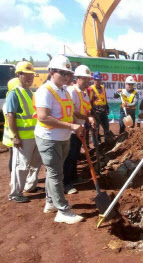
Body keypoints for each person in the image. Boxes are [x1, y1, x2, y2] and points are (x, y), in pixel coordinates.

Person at [34, 55, 84, 224]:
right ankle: (62, 210)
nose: (66, 76)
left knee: (55, 171)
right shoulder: (45, 91)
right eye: (62, 73)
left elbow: (69, 114)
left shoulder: (63, 90)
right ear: (51, 72)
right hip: (49, 138)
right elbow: (43, 117)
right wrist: (71, 127)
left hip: (63, 138)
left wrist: (77, 125)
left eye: (68, 73)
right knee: (56, 174)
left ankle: (50, 203)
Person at [6, 62, 42, 203]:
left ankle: (30, 186)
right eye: (25, 75)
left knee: (35, 164)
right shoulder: (14, 93)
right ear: (18, 75)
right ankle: (15, 193)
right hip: (23, 137)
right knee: (21, 166)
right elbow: (11, 116)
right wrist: (15, 136)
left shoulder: (30, 93)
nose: (29, 78)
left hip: (35, 135)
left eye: (31, 75)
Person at [63, 65, 96, 194]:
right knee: (69, 156)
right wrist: (87, 119)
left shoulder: (84, 92)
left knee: (76, 155)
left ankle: (74, 177)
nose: (87, 82)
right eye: (84, 79)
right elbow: (72, 112)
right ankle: (66, 183)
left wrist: (89, 118)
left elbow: (86, 109)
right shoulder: (71, 91)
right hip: (72, 129)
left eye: (88, 80)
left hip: (81, 128)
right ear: (77, 78)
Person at [3, 77, 20, 174]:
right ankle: (13, 177)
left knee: (15, 157)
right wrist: (15, 136)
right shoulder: (8, 104)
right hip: (12, 135)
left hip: (13, 134)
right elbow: (10, 117)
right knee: (14, 157)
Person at [88, 71, 109, 145]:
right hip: (95, 111)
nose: (99, 81)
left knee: (106, 128)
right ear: (94, 80)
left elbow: (105, 98)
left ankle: (107, 142)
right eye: (97, 80)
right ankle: (97, 143)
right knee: (95, 130)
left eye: (100, 79)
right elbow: (89, 101)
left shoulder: (103, 88)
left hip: (103, 111)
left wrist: (107, 107)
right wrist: (91, 113)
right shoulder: (91, 89)